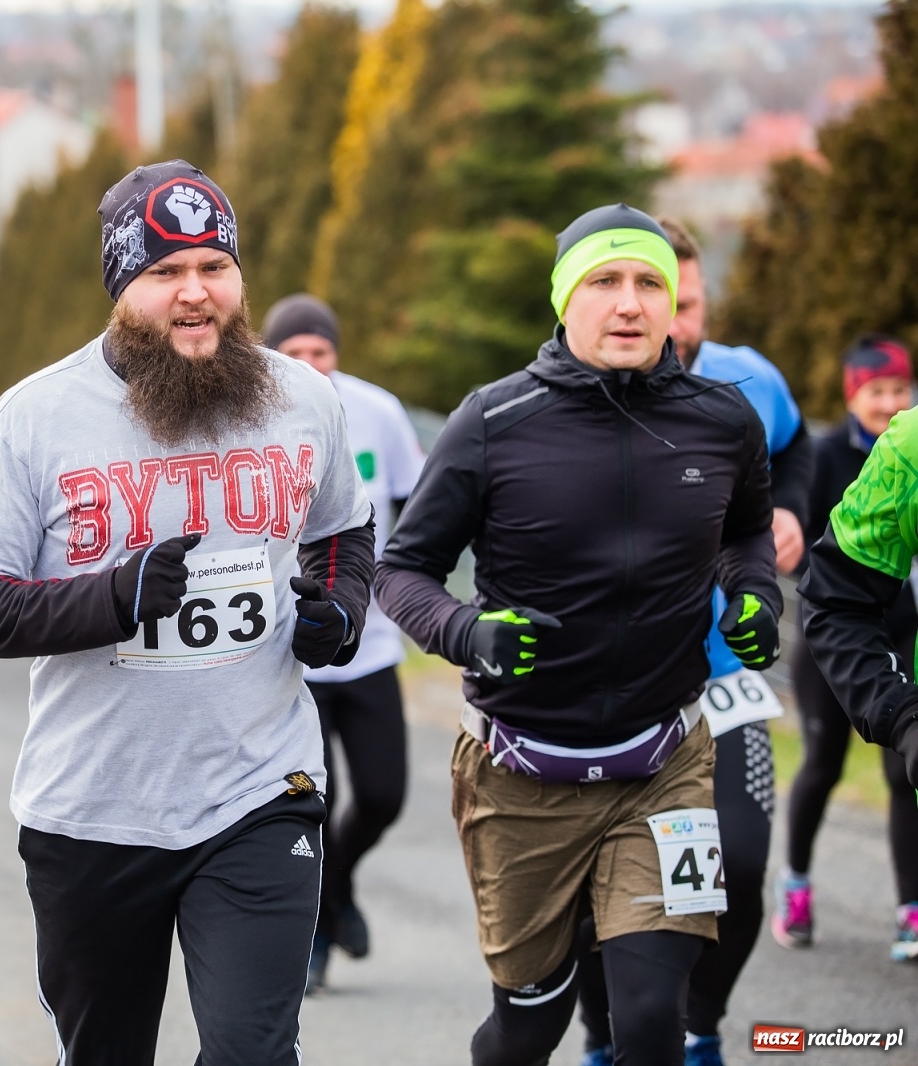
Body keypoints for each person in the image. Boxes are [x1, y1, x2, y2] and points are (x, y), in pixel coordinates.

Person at [0, 160, 375, 1064]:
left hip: (260, 789)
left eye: (215, 267)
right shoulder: (35, 420)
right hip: (93, 812)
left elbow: (344, 533)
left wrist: (341, 610)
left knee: (254, 1053)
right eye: (164, 273)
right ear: (120, 288)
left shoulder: (304, 400)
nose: (195, 294)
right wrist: (113, 599)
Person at [376, 203, 779, 1066]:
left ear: (674, 304)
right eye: (604, 282)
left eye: (648, 284)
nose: (628, 304)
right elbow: (399, 569)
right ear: (565, 299)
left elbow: (747, 532)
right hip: (521, 776)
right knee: (529, 1025)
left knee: (647, 1019)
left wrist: (755, 595)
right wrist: (465, 629)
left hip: (665, 766)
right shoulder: (494, 421)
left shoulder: (724, 420)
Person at [574, 219, 813, 1066]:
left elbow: (793, 452)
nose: (662, 321)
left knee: (738, 867)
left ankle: (702, 1021)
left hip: (723, 676)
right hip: (615, 687)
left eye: (682, 300)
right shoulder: (575, 396)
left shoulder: (748, 381)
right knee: (604, 892)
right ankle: (607, 1036)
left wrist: (786, 509)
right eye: (631, 293)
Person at [261, 293, 424, 994]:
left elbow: (417, 510)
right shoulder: (251, 415)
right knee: (311, 806)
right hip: (290, 656)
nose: (309, 366)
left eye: (319, 353)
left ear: (336, 355)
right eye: (293, 355)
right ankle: (320, 931)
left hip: (373, 643)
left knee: (384, 795)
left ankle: (343, 878)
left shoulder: (378, 414)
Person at [788, 336, 918, 962]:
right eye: (877, 392)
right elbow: (821, 566)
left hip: (902, 630)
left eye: (900, 389)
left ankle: (909, 909)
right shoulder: (825, 454)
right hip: (830, 648)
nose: (890, 403)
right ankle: (796, 885)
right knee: (824, 765)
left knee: (902, 774)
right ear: (853, 395)